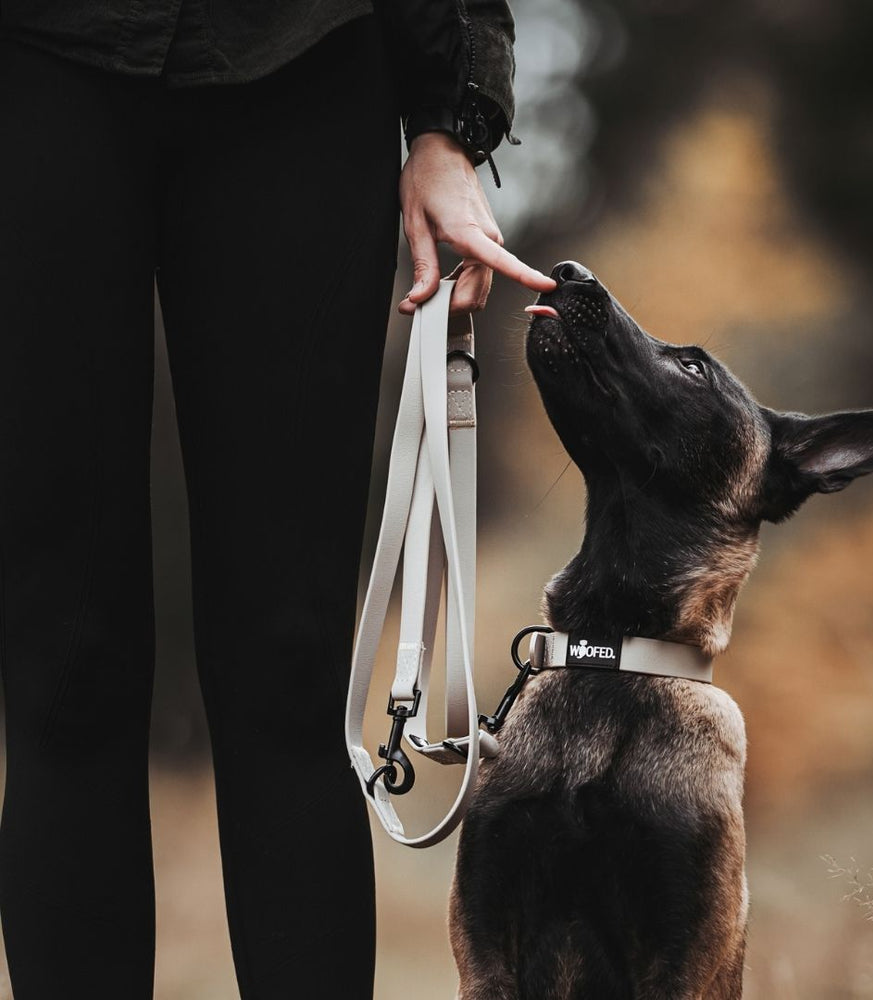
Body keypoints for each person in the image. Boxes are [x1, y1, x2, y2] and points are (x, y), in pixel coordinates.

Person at [0, 2, 554, 997]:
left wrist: (447, 120)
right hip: (33, 66)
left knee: (293, 660)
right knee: (62, 662)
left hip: (300, 62)